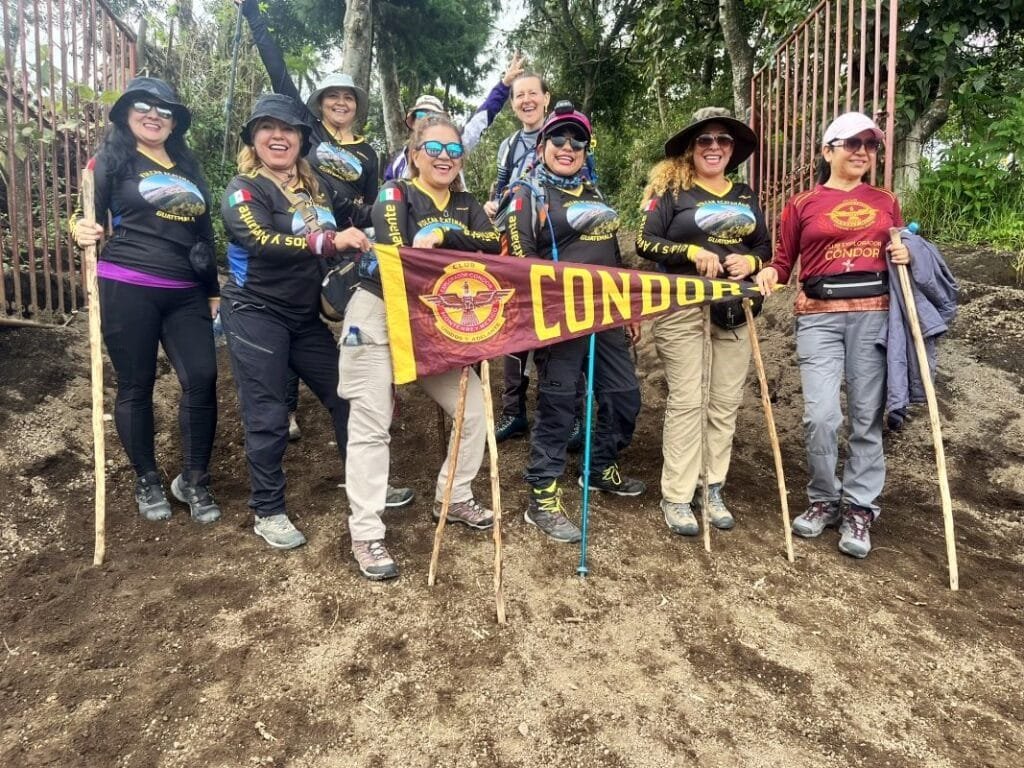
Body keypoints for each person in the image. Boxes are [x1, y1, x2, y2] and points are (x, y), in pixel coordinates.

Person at [341, 114, 500, 580]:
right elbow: (396, 247)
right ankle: (366, 532)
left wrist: (449, 235)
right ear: (414, 155)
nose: (444, 158)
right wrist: (433, 244)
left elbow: (491, 247)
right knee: (371, 424)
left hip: (434, 321)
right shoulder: (396, 193)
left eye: (453, 151)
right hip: (378, 311)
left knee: (474, 411)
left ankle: (454, 496)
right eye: (434, 149)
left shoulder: (467, 203)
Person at [754, 111, 909, 559]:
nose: (862, 151)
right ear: (827, 151)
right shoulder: (801, 204)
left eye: (870, 144)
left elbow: (900, 248)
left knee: (866, 416)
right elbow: (784, 261)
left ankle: (860, 507)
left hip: (874, 315)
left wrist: (904, 251)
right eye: (851, 143)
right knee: (821, 416)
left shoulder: (886, 200)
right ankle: (824, 497)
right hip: (817, 317)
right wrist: (768, 272)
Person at [220, 94, 370, 550]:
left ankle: (362, 485)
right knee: (266, 414)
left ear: (302, 139)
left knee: (347, 394)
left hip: (304, 315)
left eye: (288, 129)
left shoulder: (314, 189)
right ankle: (268, 510)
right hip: (254, 311)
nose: (278, 135)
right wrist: (329, 241)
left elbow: (359, 215)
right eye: (267, 127)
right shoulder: (244, 189)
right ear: (253, 139)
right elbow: (259, 239)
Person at [72, 76, 221, 524]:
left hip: (186, 291)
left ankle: (193, 478)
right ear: (126, 113)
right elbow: (84, 215)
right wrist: (77, 228)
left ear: (175, 122)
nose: (155, 115)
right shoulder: (109, 161)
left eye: (165, 109)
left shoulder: (187, 168)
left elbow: (204, 233)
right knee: (136, 384)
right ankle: (147, 478)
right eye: (144, 106)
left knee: (202, 378)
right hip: (126, 285)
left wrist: (212, 289)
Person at [507, 102, 644, 544]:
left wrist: (629, 307)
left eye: (577, 140)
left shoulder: (595, 193)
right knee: (560, 404)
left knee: (623, 395)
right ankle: (542, 494)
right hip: (559, 316)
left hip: (607, 312)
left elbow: (613, 255)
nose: (568, 147)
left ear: (587, 148)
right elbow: (519, 258)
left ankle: (599, 465)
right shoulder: (527, 194)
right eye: (559, 139)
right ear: (543, 144)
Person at [636, 107, 770, 537]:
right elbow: (645, 242)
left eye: (723, 141)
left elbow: (764, 247)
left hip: (733, 310)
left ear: (733, 149)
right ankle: (676, 495)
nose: (714, 147)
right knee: (688, 399)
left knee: (724, 402)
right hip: (681, 307)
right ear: (692, 149)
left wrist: (750, 260)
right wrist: (691, 253)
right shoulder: (672, 193)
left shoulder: (746, 195)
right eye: (705, 141)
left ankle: (710, 486)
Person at [238, 0, 378, 230]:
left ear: (356, 105)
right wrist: (253, 16)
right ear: (320, 103)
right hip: (297, 222)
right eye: (333, 96)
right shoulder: (308, 127)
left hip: (344, 236)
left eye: (348, 97)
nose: (341, 103)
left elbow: (370, 209)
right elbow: (278, 72)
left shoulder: (369, 153)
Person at [382, 52, 524, 181]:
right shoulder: (400, 162)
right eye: (421, 114)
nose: (426, 119)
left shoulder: (457, 146)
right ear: (412, 122)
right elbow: (387, 196)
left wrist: (505, 84)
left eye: (433, 115)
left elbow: (482, 116)